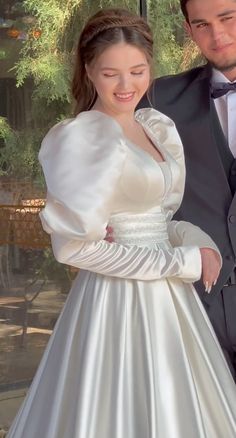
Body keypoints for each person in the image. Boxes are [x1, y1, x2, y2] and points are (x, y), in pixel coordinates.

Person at [7, 8, 236, 438]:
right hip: (117, 301)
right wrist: (179, 263)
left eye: (138, 71)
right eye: (111, 73)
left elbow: (159, 214)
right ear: (89, 71)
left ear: (151, 67)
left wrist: (193, 237)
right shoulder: (82, 137)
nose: (127, 85)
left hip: (172, 304)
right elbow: (73, 248)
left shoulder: (155, 125)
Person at [139, 0, 236, 380]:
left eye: (228, 18)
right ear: (189, 28)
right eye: (202, 24)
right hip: (194, 308)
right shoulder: (160, 100)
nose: (218, 35)